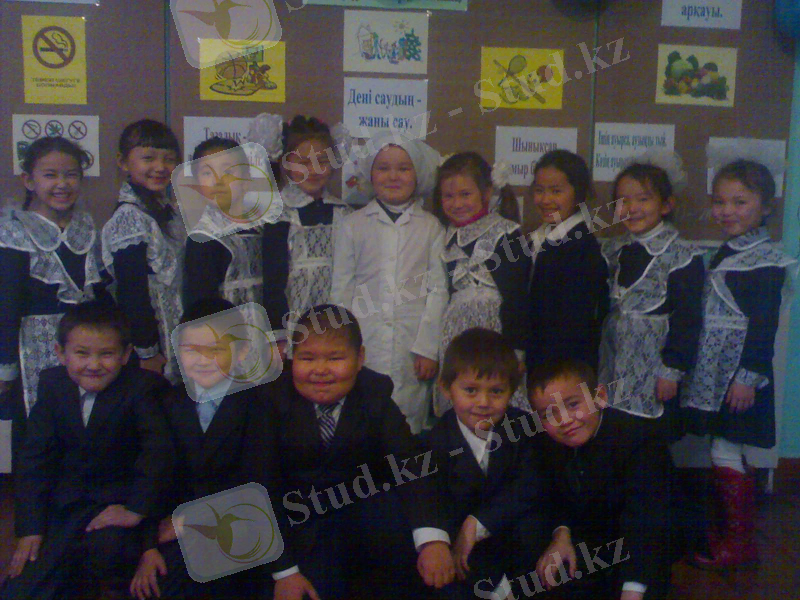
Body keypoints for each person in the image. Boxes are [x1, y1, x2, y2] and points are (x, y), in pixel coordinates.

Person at [264, 304, 455, 600]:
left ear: (359, 358)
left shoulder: (374, 393)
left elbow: (410, 464)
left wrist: (432, 540)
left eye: (335, 358)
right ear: (292, 358)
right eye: (307, 358)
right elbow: (262, 487)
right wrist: (284, 571)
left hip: (361, 523)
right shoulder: (271, 401)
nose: (320, 370)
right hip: (293, 528)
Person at [129, 297, 314, 600]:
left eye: (216, 350)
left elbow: (262, 484)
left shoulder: (259, 404)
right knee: (157, 580)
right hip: (174, 528)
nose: (202, 360)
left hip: (240, 525)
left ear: (241, 351)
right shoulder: (166, 403)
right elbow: (155, 477)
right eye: (191, 350)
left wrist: (192, 520)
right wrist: (148, 546)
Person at [1, 300, 173, 600]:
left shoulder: (143, 388)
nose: (94, 365)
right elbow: (34, 460)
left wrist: (135, 510)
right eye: (82, 353)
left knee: (105, 558)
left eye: (106, 354)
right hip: (67, 507)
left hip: (120, 503)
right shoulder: (52, 384)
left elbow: (158, 454)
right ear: (61, 353)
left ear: (125, 355)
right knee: (23, 588)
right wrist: (30, 528)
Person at [682, 159, 796, 570]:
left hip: (739, 377)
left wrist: (748, 377)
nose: (727, 210)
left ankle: (738, 543)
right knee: (723, 447)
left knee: (726, 448)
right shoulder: (728, 253)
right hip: (718, 374)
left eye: (740, 201)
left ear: (765, 207)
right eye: (719, 201)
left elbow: (763, 327)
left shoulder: (764, 261)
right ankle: (732, 533)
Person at [530, 359, 689, 600]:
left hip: (645, 544)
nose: (564, 420)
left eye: (573, 405)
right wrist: (561, 534)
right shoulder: (549, 444)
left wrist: (633, 588)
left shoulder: (641, 441)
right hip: (592, 541)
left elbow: (649, 518)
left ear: (600, 396)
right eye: (549, 415)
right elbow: (554, 497)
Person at [331, 133, 448, 433]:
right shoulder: (352, 225)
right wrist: (343, 345)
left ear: (417, 174)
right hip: (364, 342)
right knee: (363, 423)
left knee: (408, 425)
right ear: (370, 175)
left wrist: (427, 348)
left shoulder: (430, 227)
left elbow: (437, 290)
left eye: (403, 168)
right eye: (383, 168)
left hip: (412, 347)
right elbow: (342, 288)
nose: (393, 176)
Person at [428, 328, 542, 600]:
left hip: (518, 548)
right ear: (446, 388)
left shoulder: (524, 427)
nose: (483, 403)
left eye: (496, 391)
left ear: (512, 391)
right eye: (470, 390)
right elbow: (436, 505)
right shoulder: (434, 443)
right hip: (464, 562)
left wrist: (476, 523)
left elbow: (529, 487)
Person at [0, 137, 106, 420]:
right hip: (32, 346)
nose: (62, 184)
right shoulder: (14, 232)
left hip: (86, 349)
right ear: (29, 180)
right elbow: (7, 305)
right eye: (50, 175)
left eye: (71, 175)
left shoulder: (86, 227)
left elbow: (100, 293)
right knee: (40, 425)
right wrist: (5, 367)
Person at [599, 152, 704, 424]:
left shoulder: (682, 255)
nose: (631, 208)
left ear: (666, 205)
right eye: (623, 201)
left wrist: (672, 369)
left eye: (643, 199)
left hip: (655, 370)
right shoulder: (613, 249)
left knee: (648, 434)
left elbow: (688, 319)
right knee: (613, 427)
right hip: (613, 362)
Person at [432, 152, 530, 416]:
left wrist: (516, 352)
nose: (457, 203)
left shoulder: (504, 233)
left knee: (495, 402)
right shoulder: (443, 236)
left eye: (465, 194)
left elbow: (518, 298)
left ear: (486, 193)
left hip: (494, 333)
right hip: (455, 333)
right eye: (448, 196)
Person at [256, 115, 353, 355]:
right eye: (303, 162)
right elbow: (273, 281)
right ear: (286, 164)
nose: (313, 170)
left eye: (322, 161)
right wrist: (277, 335)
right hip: (292, 325)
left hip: (337, 322)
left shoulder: (345, 214)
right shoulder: (279, 215)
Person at [101, 119, 185, 382]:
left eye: (168, 159)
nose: (160, 167)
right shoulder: (130, 218)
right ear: (123, 161)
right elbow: (131, 292)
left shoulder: (168, 211)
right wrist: (147, 351)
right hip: (150, 343)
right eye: (148, 158)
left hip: (175, 330)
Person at [526, 150, 608, 373]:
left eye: (556, 191)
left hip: (562, 365)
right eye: (539, 190)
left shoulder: (581, 247)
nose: (545, 200)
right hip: (537, 357)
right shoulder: (538, 238)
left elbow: (575, 323)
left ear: (578, 194)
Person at [182, 137, 270, 310]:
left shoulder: (262, 227)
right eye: (207, 173)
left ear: (246, 180)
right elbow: (201, 303)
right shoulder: (203, 238)